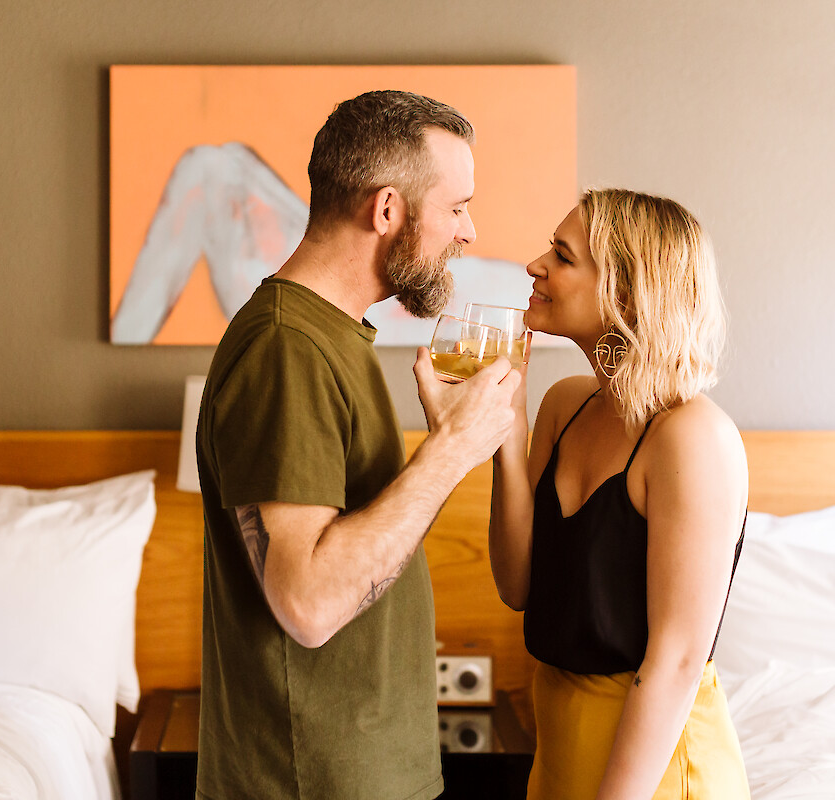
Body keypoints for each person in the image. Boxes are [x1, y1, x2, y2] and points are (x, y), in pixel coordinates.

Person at [193, 90, 521, 800]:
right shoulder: (286, 349)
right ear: (386, 211)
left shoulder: (330, 335)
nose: (470, 230)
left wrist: (445, 445)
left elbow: (359, 545)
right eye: (457, 206)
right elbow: (307, 605)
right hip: (312, 781)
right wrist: (451, 454)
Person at [489, 189, 751, 799]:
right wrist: (507, 430)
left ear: (627, 292)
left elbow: (678, 663)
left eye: (562, 255)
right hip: (558, 753)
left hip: (652, 771)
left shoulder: (692, 437)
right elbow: (516, 585)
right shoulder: (563, 405)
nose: (535, 266)